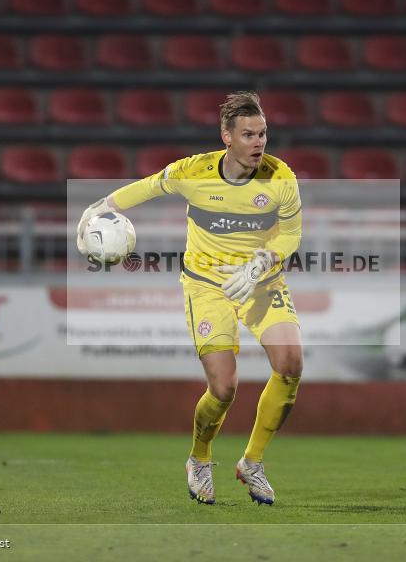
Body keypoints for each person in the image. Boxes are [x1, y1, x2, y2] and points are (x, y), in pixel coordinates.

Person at [76, 92, 303, 505]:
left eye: (263, 133)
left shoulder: (280, 178)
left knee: (290, 365)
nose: (258, 143)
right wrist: (101, 206)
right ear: (227, 137)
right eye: (248, 135)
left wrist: (263, 261)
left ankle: (252, 462)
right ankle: (199, 459)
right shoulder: (194, 171)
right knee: (224, 387)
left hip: (259, 281)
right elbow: (150, 186)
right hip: (207, 285)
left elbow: (291, 234)